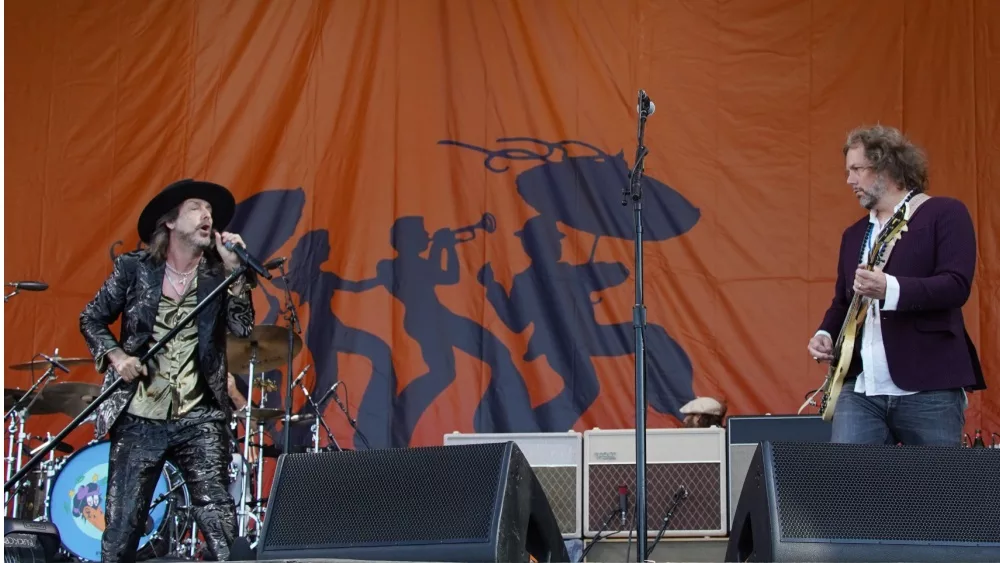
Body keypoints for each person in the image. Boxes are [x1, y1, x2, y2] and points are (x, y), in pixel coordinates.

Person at [79, 179, 256, 562]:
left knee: (218, 517)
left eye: (209, 210)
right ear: (171, 223)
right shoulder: (133, 269)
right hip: (141, 415)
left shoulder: (218, 274)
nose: (207, 215)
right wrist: (117, 357)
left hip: (200, 413)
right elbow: (91, 318)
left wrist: (235, 272)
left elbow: (243, 328)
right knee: (123, 525)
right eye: (196, 207)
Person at [807, 125, 985, 446]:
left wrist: (889, 289)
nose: (849, 180)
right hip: (861, 389)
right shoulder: (853, 235)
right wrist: (825, 334)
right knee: (850, 488)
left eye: (857, 169)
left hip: (929, 387)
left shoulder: (944, 213)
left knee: (938, 491)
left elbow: (956, 286)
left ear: (886, 166)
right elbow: (843, 302)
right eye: (848, 171)